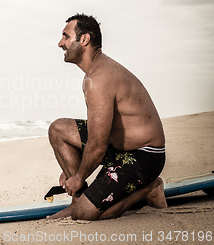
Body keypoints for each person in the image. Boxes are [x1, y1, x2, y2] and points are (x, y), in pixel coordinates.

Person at [47, 13, 167, 221]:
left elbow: (98, 144)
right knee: (58, 129)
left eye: (66, 36)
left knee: (85, 214)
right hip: (118, 146)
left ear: (84, 39)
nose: (60, 43)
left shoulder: (101, 78)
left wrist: (78, 177)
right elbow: (96, 133)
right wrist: (70, 169)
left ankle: (149, 189)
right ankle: (77, 200)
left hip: (144, 155)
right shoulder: (91, 76)